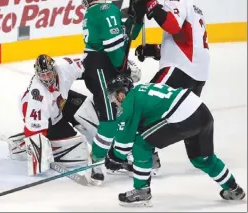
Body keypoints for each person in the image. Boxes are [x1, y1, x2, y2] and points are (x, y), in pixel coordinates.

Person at [104, 75, 245, 207]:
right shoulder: (142, 90)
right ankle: (234, 189)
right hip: (201, 111)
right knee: (202, 158)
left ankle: (141, 191)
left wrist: (114, 157)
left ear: (121, 94)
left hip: (182, 116)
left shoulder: (129, 102)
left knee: (141, 144)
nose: (113, 101)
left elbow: (124, 143)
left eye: (113, 96)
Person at [133, 0, 210, 171]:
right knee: (183, 114)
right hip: (197, 76)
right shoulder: (196, 11)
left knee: (141, 102)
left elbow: (172, 26)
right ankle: (202, 156)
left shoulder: (180, 1)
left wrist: (151, 4)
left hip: (179, 70)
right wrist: (153, 50)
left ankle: (144, 155)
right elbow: (184, 41)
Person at [80, 0, 142, 185]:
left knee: (124, 114)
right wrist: (122, 68)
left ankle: (119, 155)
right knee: (110, 120)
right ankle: (94, 162)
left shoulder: (97, 12)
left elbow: (125, 36)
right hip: (101, 67)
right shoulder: (107, 9)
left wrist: (136, 18)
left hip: (103, 66)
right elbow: (115, 47)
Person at [7, 54, 99, 176]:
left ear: (54, 69)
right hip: (43, 120)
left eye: (48, 74)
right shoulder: (37, 94)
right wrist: (39, 163)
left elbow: (88, 62)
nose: (46, 78)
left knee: (86, 109)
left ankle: (101, 146)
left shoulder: (65, 68)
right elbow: (34, 130)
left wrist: (115, 70)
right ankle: (23, 146)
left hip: (59, 105)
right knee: (78, 153)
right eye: (42, 75)